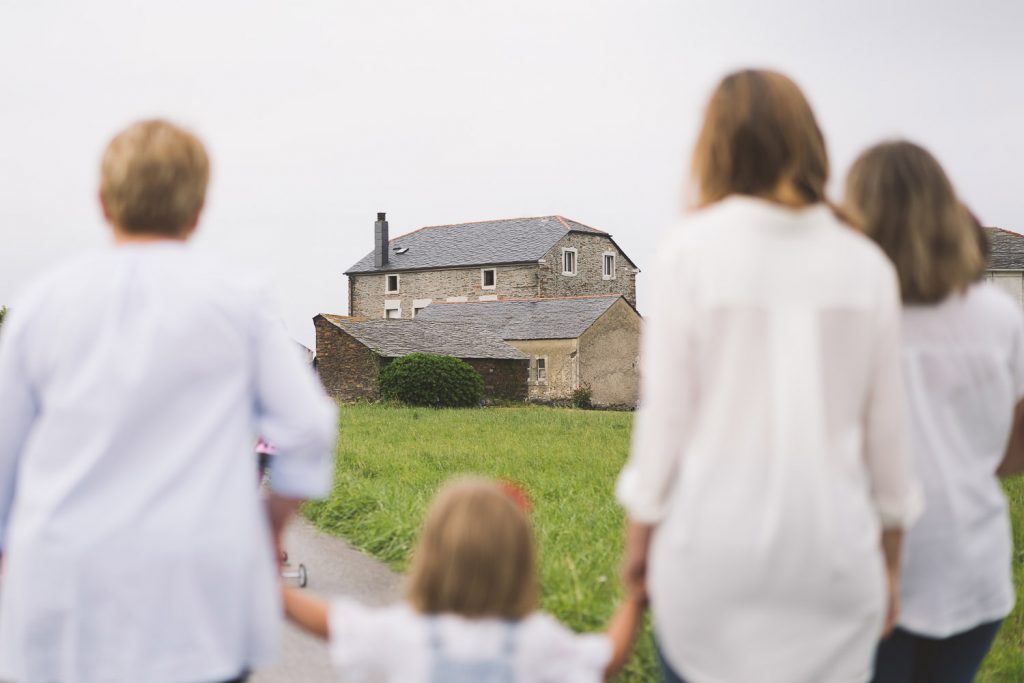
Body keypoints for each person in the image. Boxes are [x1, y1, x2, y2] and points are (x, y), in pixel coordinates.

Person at [0, 120, 337, 683]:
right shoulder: (240, 304)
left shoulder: (42, 306)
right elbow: (307, 428)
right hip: (196, 606)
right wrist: (269, 525)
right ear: (198, 207)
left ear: (103, 201)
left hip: (64, 603)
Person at [615, 69, 923, 683]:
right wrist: (889, 568)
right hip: (834, 564)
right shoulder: (866, 265)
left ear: (715, 148)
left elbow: (664, 425)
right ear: (809, 142)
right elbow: (889, 445)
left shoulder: (687, 252)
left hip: (711, 561)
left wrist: (639, 546)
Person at [844, 141, 1024, 683]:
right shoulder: (1000, 316)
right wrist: (957, 466)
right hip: (973, 561)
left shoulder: (847, 317)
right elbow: (1017, 450)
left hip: (869, 564)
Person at [283, 477, 645, 683]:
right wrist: (636, 597)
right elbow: (604, 660)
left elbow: (327, 621)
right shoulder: (539, 640)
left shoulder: (402, 633)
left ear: (429, 557)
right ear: (519, 561)